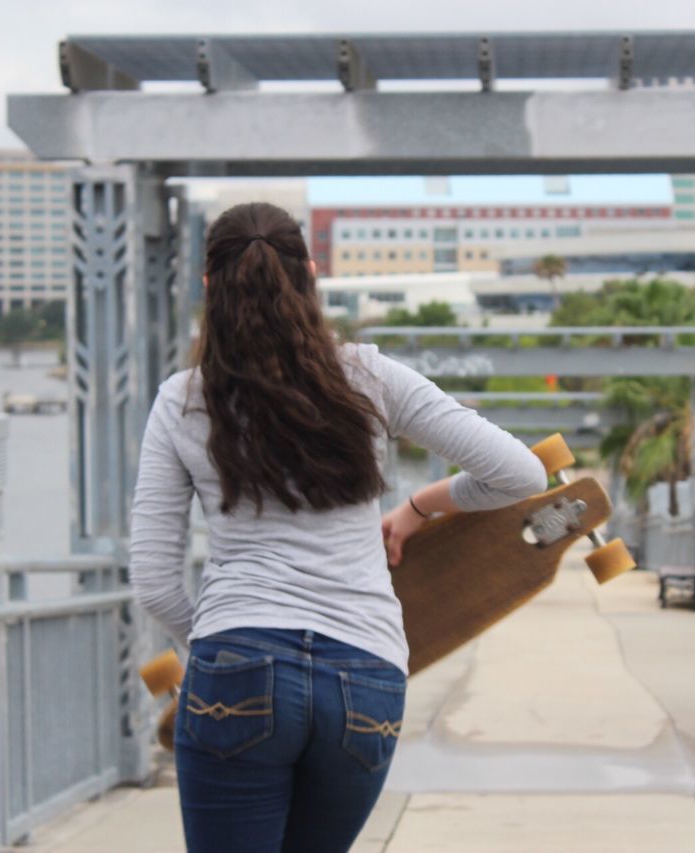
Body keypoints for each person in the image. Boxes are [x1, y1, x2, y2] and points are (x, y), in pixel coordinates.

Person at [128, 201, 547, 852]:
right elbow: (520, 474)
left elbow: (154, 581)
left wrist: (220, 649)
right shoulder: (371, 377)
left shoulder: (182, 399)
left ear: (209, 286)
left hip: (237, 659)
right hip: (365, 671)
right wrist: (419, 506)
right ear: (311, 277)